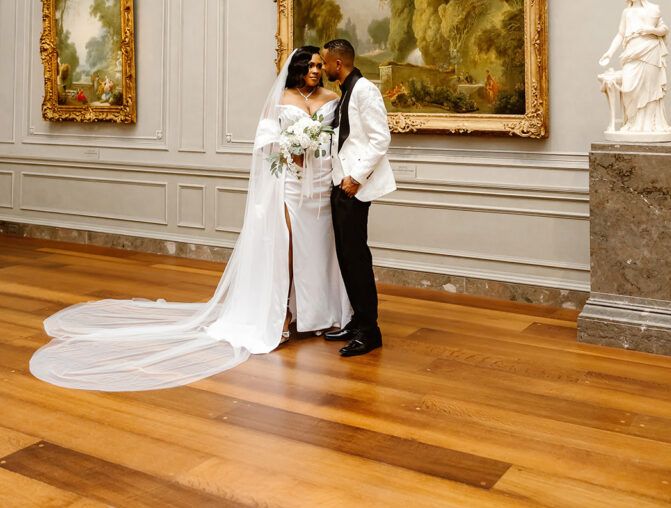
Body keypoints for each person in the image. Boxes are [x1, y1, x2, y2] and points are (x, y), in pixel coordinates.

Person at [29, 47, 350, 391]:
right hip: (288, 182)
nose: (317, 69)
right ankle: (283, 315)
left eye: (320, 65)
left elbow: (341, 137)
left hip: (319, 185)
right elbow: (266, 137)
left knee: (318, 248)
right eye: (312, 64)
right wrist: (290, 149)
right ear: (299, 67)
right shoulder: (283, 96)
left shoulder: (333, 96)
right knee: (287, 246)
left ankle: (318, 315)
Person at [321, 39, 396, 357]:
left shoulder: (364, 89)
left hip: (355, 187)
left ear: (337, 63)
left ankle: (370, 331)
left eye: (324, 62)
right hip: (341, 185)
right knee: (346, 257)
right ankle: (357, 320)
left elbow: (381, 139)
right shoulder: (347, 90)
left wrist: (355, 179)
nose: (322, 68)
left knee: (357, 259)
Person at [599, 0, 671, 137]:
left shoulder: (653, 9)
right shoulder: (627, 12)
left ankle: (648, 126)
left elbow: (664, 29)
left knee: (650, 88)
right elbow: (620, 34)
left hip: (651, 50)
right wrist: (609, 52)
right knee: (628, 88)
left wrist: (650, 30)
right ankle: (632, 122)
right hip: (632, 52)